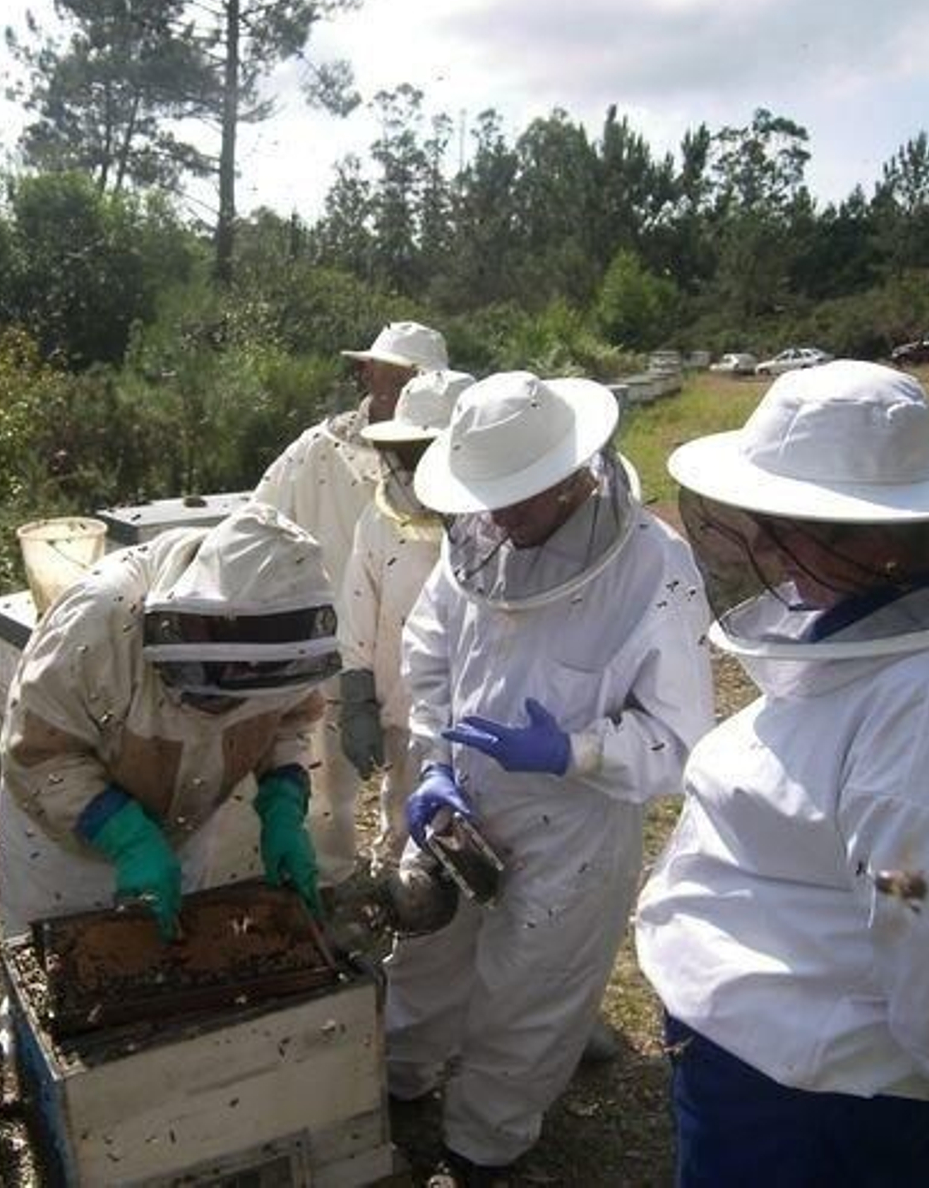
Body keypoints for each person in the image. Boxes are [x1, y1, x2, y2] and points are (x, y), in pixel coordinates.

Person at [635, 360, 929, 1186]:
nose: (763, 545)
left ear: (876, 537)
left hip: (810, 1101)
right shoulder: (887, 620)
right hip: (760, 1058)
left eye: (787, 524)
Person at [387, 371, 715, 1183]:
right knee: (426, 956)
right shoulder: (477, 539)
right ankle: (399, 1084)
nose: (500, 517)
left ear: (573, 472)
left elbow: (682, 741)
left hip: (574, 823)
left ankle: (482, 1149)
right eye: (488, 497)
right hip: (459, 804)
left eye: (519, 500)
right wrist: (432, 761)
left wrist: (578, 751)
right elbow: (430, 651)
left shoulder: (654, 567)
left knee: (529, 995)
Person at [0, 502, 338, 938]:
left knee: (167, 965)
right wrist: (126, 835)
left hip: (180, 833)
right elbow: (38, 751)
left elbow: (289, 719)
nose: (240, 685)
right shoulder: (100, 617)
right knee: (56, 975)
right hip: (64, 852)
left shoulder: (287, 638)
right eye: (230, 673)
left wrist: (284, 803)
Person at [253, 320, 450, 883]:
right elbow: (259, 518)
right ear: (367, 372)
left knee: (416, 783)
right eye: (387, 378)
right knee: (323, 785)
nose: (394, 393)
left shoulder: (451, 459)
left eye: (410, 382)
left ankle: (403, 871)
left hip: (421, 656)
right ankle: (327, 878)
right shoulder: (320, 450)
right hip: (328, 645)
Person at [337, 367, 473, 871]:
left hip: (487, 728)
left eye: (424, 451)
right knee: (404, 833)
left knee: (475, 849)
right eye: (408, 451)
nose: (412, 466)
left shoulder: (504, 523)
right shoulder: (379, 517)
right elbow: (357, 608)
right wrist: (357, 698)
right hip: (403, 713)